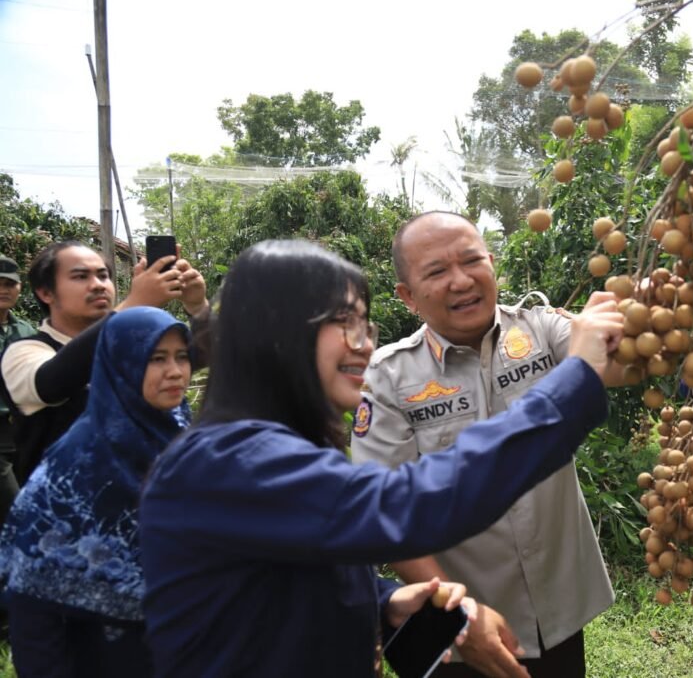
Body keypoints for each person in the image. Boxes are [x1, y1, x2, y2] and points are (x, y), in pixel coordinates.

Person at [138, 239, 624, 678]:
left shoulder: (269, 448)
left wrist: (384, 601)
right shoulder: (228, 462)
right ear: (274, 335)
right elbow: (405, 504)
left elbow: (279, 575)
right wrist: (575, 379)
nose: (363, 343)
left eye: (363, 323)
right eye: (341, 322)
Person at [351, 211, 620, 678]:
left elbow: (611, 364)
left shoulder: (542, 330)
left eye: (472, 260)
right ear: (408, 296)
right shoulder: (388, 378)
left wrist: (624, 321)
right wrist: (460, 614)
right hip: (466, 624)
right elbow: (387, 515)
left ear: (493, 264)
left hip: (556, 612)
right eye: (437, 271)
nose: (461, 280)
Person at [0, 307, 192, 677]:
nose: (175, 371)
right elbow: (31, 590)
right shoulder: (80, 460)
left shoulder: (182, 437)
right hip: (103, 656)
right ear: (120, 363)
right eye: (156, 358)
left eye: (182, 357)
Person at [0, 240, 208, 483]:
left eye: (103, 276)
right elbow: (54, 381)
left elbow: (208, 356)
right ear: (46, 292)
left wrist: (197, 306)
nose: (97, 285)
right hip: (66, 513)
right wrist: (135, 303)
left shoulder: (136, 345)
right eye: (80, 277)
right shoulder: (25, 351)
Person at [0, 255, 35, 524]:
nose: (4, 289)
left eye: (9, 284)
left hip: (24, 431)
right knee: (17, 513)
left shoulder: (26, 331)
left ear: (19, 288)